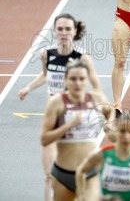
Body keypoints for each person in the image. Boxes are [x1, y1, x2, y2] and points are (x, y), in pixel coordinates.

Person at [18, 13, 102, 201]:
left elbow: (97, 88)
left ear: (75, 31)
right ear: (55, 31)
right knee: (49, 175)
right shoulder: (46, 54)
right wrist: (28, 88)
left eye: (68, 29)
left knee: (79, 176)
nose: (64, 33)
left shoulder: (82, 58)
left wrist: (88, 106)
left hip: (76, 122)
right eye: (60, 29)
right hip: (53, 118)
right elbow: (45, 76)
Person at [41, 60, 115, 201]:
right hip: (63, 174)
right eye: (73, 79)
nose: (78, 83)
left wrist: (110, 123)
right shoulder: (56, 102)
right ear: (65, 80)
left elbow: (110, 110)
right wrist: (69, 126)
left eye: (82, 79)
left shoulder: (96, 98)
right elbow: (44, 139)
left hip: (90, 173)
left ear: (88, 80)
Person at [76, 112, 130, 201]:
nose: (126, 137)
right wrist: (81, 194)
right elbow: (81, 171)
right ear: (116, 130)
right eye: (122, 131)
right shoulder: (101, 154)